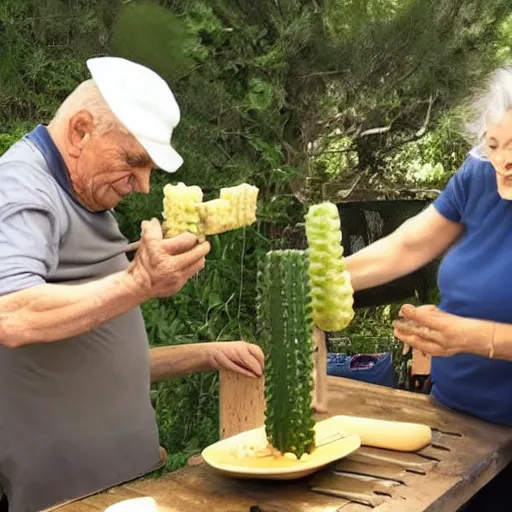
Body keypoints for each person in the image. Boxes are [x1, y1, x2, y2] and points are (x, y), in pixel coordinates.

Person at [0, 56, 264, 512]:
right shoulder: (22, 188)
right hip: (64, 497)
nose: (143, 186)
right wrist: (141, 282)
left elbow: (90, 356)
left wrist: (205, 354)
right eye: (133, 161)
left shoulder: (83, 195)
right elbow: (11, 314)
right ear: (82, 131)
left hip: (123, 485)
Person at [344, 64, 512, 511]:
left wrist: (476, 338)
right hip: (456, 423)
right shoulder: (480, 175)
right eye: (494, 144)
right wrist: (322, 278)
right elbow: (407, 246)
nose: (504, 161)